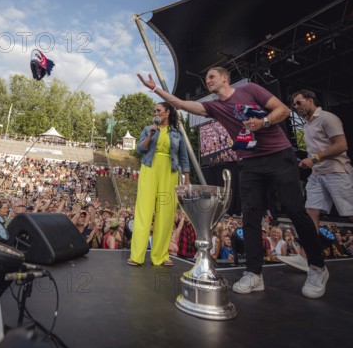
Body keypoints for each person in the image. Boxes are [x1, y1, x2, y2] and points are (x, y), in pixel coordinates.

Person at [138, 67, 328, 298]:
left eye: (211, 76)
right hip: (249, 162)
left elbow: (283, 109)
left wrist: (263, 122)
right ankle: (253, 274)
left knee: (295, 210)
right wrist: (155, 88)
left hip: (279, 155)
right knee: (249, 216)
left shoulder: (249, 89)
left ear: (225, 78)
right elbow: (182, 104)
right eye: (206, 78)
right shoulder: (214, 107)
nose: (207, 80)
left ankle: (317, 267)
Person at [127, 102, 190, 267]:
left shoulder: (177, 133)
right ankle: (137, 256)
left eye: (159, 110)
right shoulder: (149, 129)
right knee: (144, 212)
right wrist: (150, 135)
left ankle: (161, 256)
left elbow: (183, 157)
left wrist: (187, 179)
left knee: (166, 214)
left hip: (170, 173)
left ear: (167, 112)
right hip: (149, 169)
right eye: (154, 111)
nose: (156, 113)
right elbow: (140, 150)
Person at [291, 89, 353, 228]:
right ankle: (313, 249)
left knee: (351, 212)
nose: (296, 107)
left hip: (336, 171)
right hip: (317, 174)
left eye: (298, 103)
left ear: (310, 101)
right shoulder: (307, 125)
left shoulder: (327, 118)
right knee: (311, 212)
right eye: (294, 105)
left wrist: (314, 159)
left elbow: (341, 145)